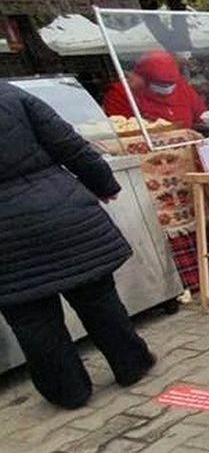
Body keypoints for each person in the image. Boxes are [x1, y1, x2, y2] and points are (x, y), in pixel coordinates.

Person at [0, 82, 156, 409]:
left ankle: (68, 392)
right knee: (98, 298)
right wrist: (103, 183)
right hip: (62, 213)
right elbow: (69, 144)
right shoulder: (11, 94)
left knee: (31, 318)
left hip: (7, 241)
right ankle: (132, 364)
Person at [102, 50, 207, 129]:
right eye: (160, 84)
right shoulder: (120, 94)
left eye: (170, 84)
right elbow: (123, 129)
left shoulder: (182, 87)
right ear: (141, 79)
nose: (167, 89)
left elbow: (202, 118)